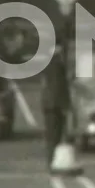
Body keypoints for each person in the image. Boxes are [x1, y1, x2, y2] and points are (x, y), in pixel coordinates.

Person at [39, 32, 71, 171]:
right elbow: (58, 86)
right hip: (55, 103)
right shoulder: (56, 62)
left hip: (49, 103)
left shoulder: (49, 61)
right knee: (54, 135)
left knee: (53, 135)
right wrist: (66, 104)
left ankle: (52, 161)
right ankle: (52, 162)